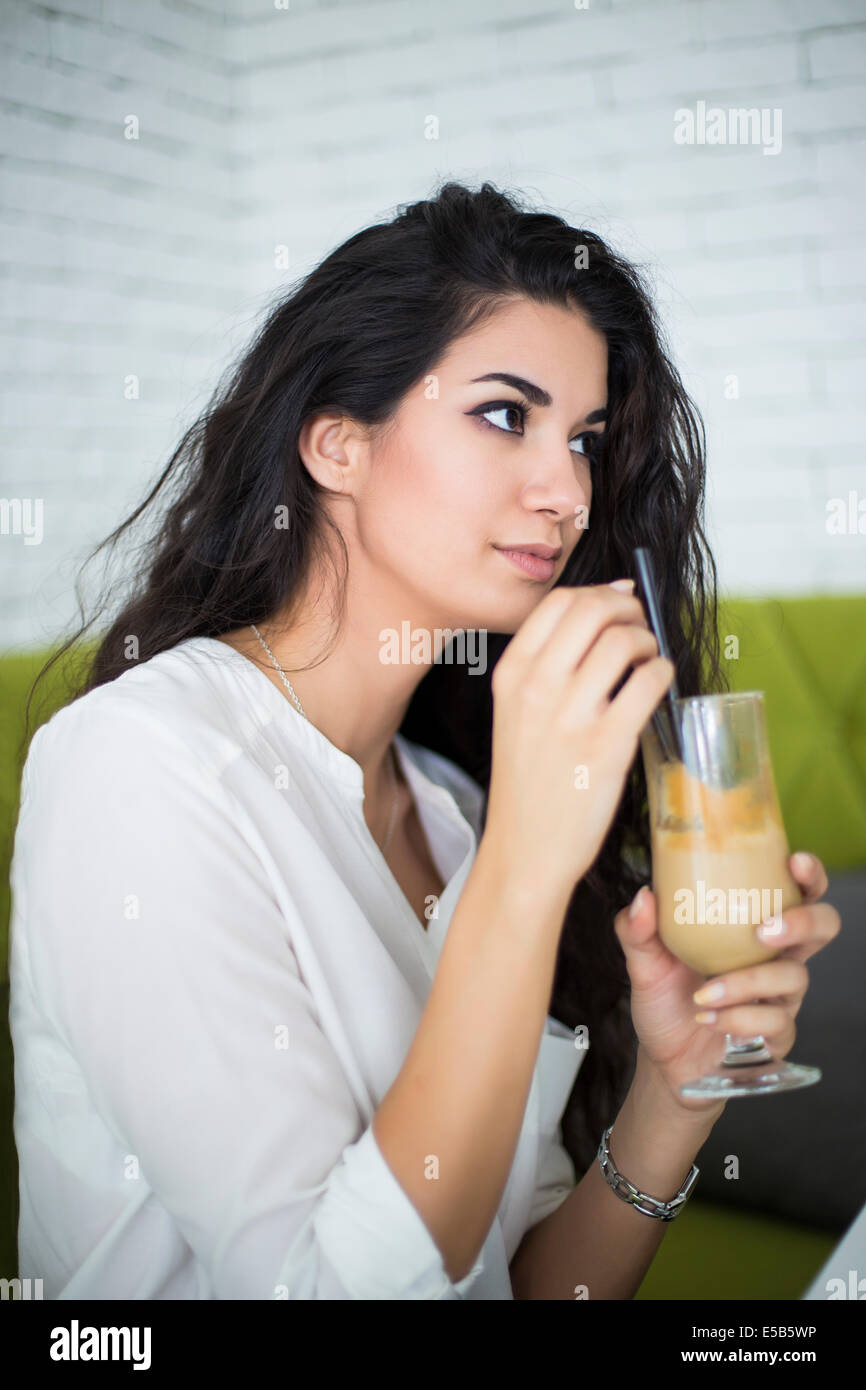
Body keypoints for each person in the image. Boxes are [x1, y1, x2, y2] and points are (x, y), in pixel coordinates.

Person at [8, 180, 840, 1300]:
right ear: (336, 445)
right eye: (506, 414)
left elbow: (516, 1285)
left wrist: (673, 1094)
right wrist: (524, 872)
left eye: (584, 439)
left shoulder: (450, 807)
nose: (567, 491)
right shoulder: (137, 767)